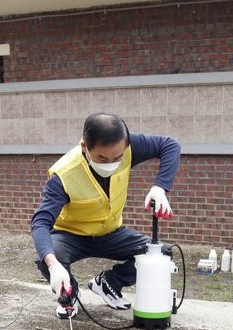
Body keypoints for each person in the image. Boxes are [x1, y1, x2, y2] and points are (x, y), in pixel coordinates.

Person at [30, 113, 179, 319]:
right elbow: (40, 222)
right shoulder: (63, 175)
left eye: (117, 158)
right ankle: (69, 293)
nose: (111, 163)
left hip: (112, 233)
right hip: (72, 236)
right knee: (47, 253)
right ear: (85, 146)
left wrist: (160, 187)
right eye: (101, 158)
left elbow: (170, 145)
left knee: (161, 253)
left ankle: (109, 283)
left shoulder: (128, 146)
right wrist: (53, 265)